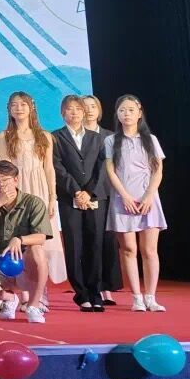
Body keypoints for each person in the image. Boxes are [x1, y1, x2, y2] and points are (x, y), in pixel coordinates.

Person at [0, 91, 66, 303]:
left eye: (23, 104)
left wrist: (52, 197)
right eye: (14, 105)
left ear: (32, 108)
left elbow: (49, 169)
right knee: (19, 242)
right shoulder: (3, 136)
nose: (19, 108)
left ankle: (40, 293)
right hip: (17, 191)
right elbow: (5, 169)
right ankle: (24, 294)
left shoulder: (44, 136)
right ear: (9, 110)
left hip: (40, 190)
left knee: (40, 242)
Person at [104, 95, 167, 312]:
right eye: (122, 110)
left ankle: (151, 296)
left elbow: (158, 170)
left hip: (148, 199)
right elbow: (111, 171)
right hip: (123, 199)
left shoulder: (151, 140)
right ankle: (137, 297)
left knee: (149, 250)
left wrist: (149, 195)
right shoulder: (111, 141)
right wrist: (124, 196)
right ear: (117, 114)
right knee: (129, 249)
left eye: (131, 110)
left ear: (139, 113)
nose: (126, 114)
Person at [0, 160, 51, 324]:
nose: (0, 185)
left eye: (5, 180)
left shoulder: (33, 202)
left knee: (37, 250)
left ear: (15, 180)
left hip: (24, 262)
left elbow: (41, 237)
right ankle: (9, 298)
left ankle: (33, 305)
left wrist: (20, 240)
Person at [52, 95, 109, 312]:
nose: (74, 112)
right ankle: (81, 293)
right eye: (69, 109)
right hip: (69, 198)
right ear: (62, 113)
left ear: (84, 112)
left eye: (78, 108)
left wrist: (88, 192)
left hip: (95, 197)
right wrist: (76, 191)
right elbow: (57, 167)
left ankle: (96, 292)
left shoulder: (97, 137)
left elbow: (102, 166)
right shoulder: (55, 137)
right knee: (74, 245)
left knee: (95, 244)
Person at [84, 94, 122, 304]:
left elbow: (114, 168)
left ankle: (108, 286)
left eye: (93, 106)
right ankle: (94, 287)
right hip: (85, 195)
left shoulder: (110, 136)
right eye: (85, 107)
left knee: (109, 242)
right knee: (92, 242)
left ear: (99, 110)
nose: (89, 110)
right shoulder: (75, 137)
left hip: (108, 194)